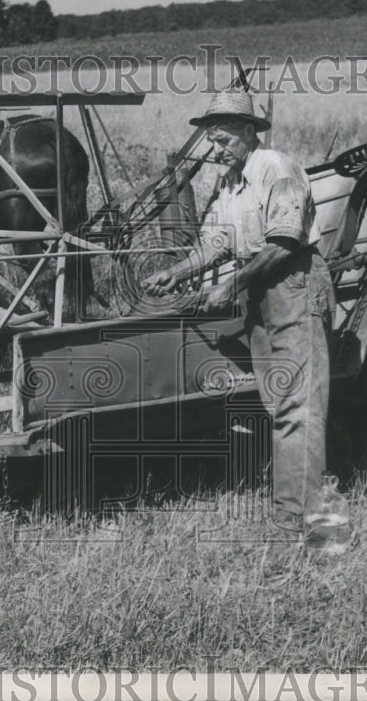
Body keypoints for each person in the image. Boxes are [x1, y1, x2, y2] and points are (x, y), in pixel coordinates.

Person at [142, 90, 346, 553]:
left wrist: (230, 287)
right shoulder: (231, 183)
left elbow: (284, 242)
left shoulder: (275, 167)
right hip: (261, 294)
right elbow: (215, 242)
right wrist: (175, 272)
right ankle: (300, 508)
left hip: (294, 285)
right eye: (211, 142)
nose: (216, 150)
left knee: (299, 410)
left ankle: (306, 528)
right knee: (281, 407)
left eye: (224, 140)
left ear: (250, 132)